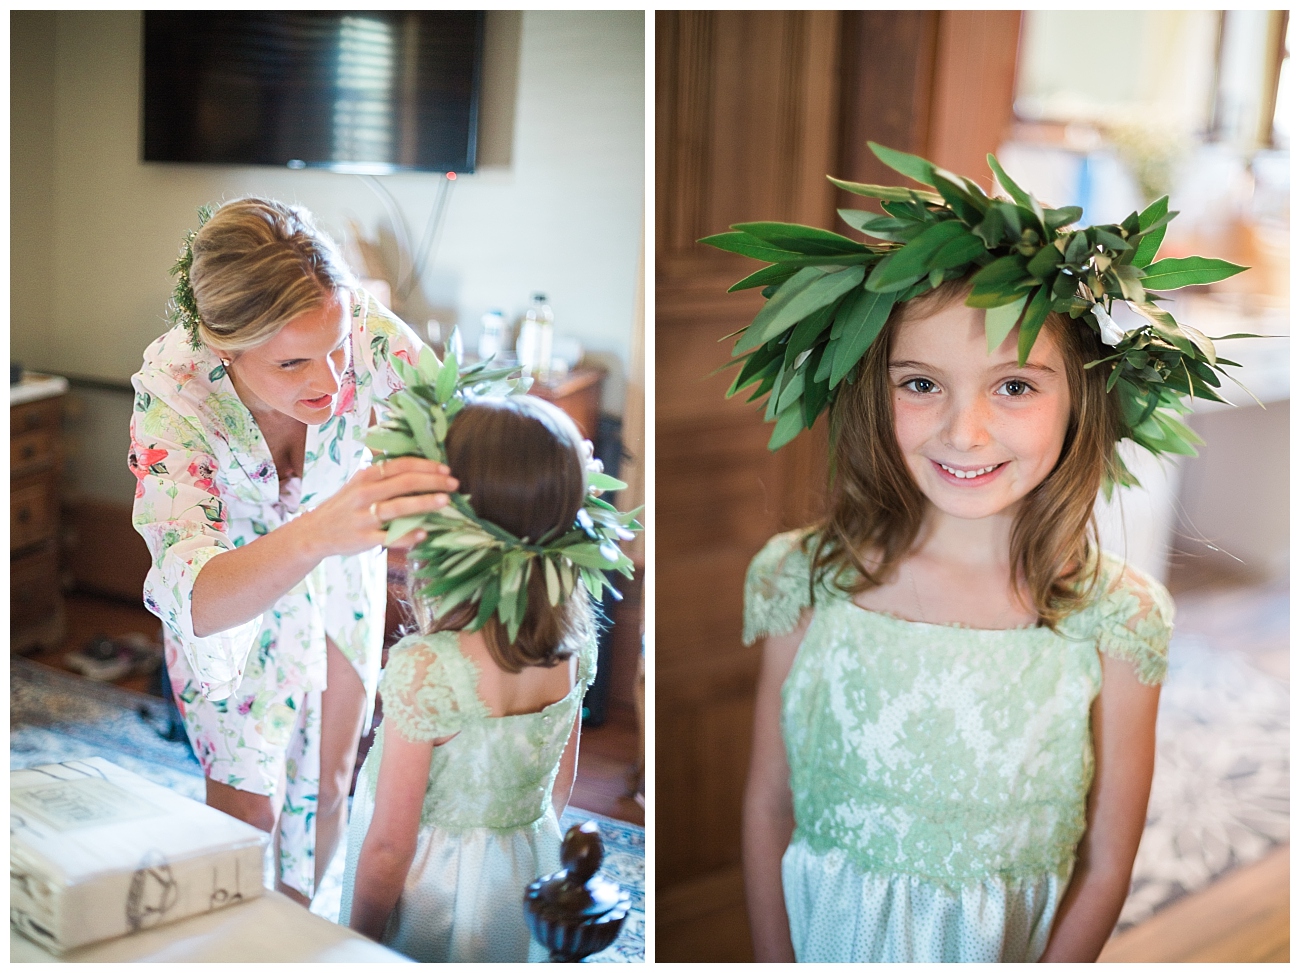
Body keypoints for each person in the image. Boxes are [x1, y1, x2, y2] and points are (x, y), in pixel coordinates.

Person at [707, 144, 1251, 961]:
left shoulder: (1118, 621)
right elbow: (767, 805)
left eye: (1015, 385)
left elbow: (1107, 864)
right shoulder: (803, 578)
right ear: (871, 387)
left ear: (1082, 399)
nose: (965, 431)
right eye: (921, 383)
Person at [130, 197, 454, 905]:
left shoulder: (357, 324)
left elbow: (456, 420)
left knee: (334, 780)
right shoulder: (173, 394)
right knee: (249, 808)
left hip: (342, 580)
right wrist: (316, 532)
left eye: (338, 345)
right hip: (236, 589)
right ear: (222, 347)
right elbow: (198, 599)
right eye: (295, 362)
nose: (332, 381)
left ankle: (298, 923)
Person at [341, 390, 636, 962]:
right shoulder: (574, 646)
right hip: (522, 872)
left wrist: (354, 944)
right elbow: (558, 785)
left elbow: (387, 847)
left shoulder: (429, 668)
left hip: (431, 893)